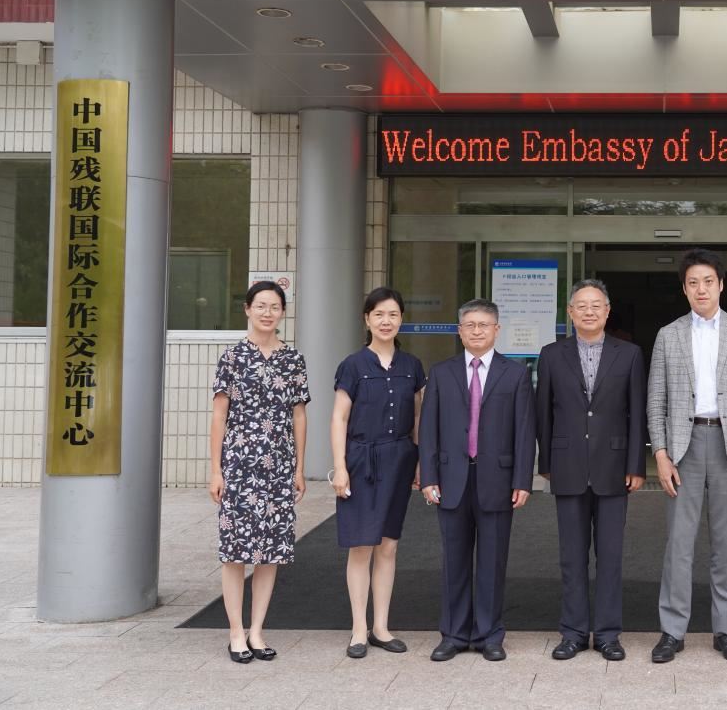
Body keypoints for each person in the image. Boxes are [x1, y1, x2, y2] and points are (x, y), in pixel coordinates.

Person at [647, 248, 727, 664]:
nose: (701, 288)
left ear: (721, 285)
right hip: (684, 446)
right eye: (693, 282)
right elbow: (656, 400)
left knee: (725, 544)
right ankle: (672, 630)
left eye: (708, 281)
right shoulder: (668, 334)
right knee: (679, 543)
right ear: (684, 288)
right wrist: (660, 455)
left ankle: (725, 630)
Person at [536, 279, 647, 662]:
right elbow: (543, 413)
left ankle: (608, 634)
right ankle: (573, 632)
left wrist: (636, 464)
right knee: (571, 556)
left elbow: (637, 414)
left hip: (614, 466)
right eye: (580, 305)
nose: (588, 311)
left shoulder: (629, 354)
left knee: (611, 556)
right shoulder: (551, 355)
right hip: (566, 466)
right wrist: (546, 463)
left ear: (607, 310)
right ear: (569, 312)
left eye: (595, 305)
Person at [420, 298, 535, 662]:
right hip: (451, 479)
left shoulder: (515, 374)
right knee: (454, 561)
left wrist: (522, 480)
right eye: (469, 324)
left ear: (497, 330)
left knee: (492, 561)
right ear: (459, 330)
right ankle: (453, 634)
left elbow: (524, 431)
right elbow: (429, 429)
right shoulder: (441, 372)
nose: (476, 331)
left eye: (483, 325)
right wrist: (428, 476)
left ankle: (489, 635)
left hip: (498, 480)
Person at [209, 281, 310, 664]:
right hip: (238, 463)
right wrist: (215, 470)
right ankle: (235, 631)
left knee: (270, 553)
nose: (268, 312)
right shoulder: (233, 356)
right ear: (247, 309)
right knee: (235, 551)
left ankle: (257, 631)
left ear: (283, 312)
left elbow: (299, 415)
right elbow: (220, 414)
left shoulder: (293, 359)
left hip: (279, 466)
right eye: (261, 306)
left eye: (275, 306)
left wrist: (300, 467)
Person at [329, 287, 425, 658]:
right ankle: (358, 628)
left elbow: (417, 417)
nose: (387, 321)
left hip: (399, 460)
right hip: (360, 460)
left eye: (393, 315)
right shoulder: (353, 365)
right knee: (360, 545)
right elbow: (339, 417)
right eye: (379, 314)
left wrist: (419, 462)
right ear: (367, 319)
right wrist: (340, 467)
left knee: (388, 545)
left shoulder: (412, 366)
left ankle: (381, 627)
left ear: (402, 319)